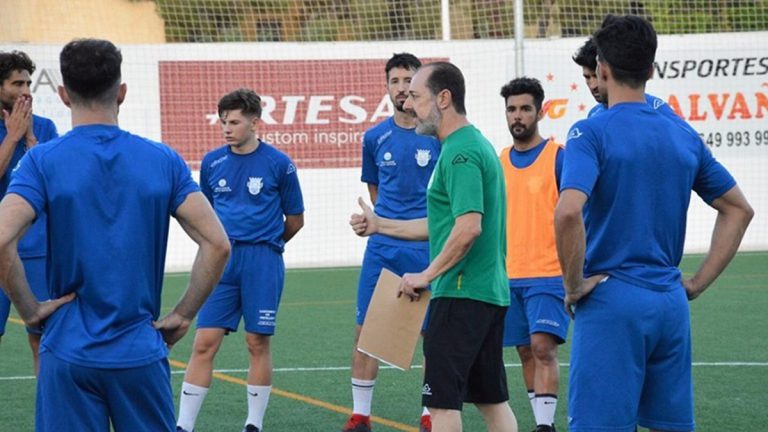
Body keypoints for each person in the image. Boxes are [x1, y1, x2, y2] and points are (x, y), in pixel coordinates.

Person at [0, 38, 231, 432]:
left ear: (63, 95)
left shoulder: (42, 161)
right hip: (139, 350)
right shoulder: (163, 160)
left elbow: (2, 238)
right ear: (121, 92)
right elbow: (218, 243)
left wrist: (31, 310)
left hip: (68, 353)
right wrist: (183, 314)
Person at [555, 15, 753, 432]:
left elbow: (569, 211)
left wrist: (573, 286)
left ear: (603, 68)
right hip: (670, 305)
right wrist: (695, 284)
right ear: (650, 70)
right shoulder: (682, 133)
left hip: (612, 303)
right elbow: (739, 209)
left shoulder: (590, 132)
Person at [350, 61, 517, 432]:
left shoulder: (458, 154)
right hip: (486, 294)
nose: (410, 105)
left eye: (417, 96)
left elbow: (469, 228)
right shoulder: (470, 146)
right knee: (493, 403)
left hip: (460, 295)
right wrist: (380, 225)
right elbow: (444, 225)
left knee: (441, 408)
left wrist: (426, 273)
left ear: (444, 98)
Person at [177, 88, 305, 432]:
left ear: (254, 123)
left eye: (234, 121)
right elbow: (203, 215)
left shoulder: (279, 164)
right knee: (204, 341)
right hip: (221, 263)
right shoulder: (212, 162)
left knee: (257, 341)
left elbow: (295, 219)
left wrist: (267, 244)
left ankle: (253, 424)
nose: (226, 128)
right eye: (223, 122)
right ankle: (183, 425)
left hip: (262, 260)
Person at [343, 52, 441, 432]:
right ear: (387, 87)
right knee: (365, 331)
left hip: (426, 246)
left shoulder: (436, 137)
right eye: (395, 82)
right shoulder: (374, 138)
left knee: (430, 334)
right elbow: (376, 194)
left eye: (408, 81)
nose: (401, 89)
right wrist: (376, 224)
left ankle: (430, 416)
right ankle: (360, 415)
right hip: (383, 248)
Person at [498, 77, 568, 432]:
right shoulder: (499, 161)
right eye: (511, 109)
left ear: (540, 111)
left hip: (548, 272)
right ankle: (542, 421)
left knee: (543, 348)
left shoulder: (559, 157)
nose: (518, 116)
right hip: (508, 276)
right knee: (525, 351)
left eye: (525, 108)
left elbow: (576, 215)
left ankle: (545, 426)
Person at [0, 50, 58, 375]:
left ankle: (49, 415)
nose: (25, 90)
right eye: (16, 83)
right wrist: (12, 137)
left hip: (37, 250)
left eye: (27, 82)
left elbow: (54, 182)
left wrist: (31, 138)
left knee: (43, 338)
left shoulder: (46, 128)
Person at [572, 37, 673, 119]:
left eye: (596, 76)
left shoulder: (657, 109)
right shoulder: (594, 115)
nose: (593, 85)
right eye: (587, 77)